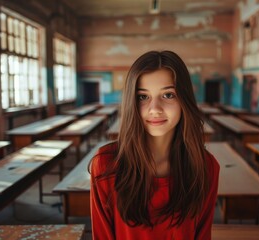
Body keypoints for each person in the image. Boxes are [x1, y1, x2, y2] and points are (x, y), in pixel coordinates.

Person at [89, 50, 220, 240]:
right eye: (143, 97)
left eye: (168, 95)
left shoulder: (206, 167)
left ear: (185, 100)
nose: (155, 109)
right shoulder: (106, 164)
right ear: (131, 102)